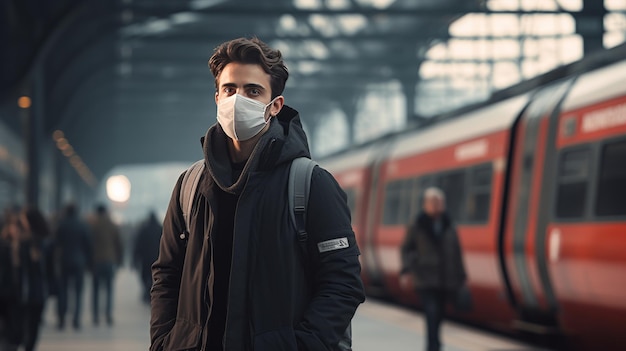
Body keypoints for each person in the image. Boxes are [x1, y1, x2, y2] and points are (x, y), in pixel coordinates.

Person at [150, 37, 365, 351]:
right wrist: (163, 343)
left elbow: (343, 284)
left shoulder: (311, 184)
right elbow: (167, 274)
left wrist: (300, 345)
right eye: (230, 89)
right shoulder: (189, 185)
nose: (238, 100)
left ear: (274, 105)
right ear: (217, 98)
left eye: (253, 91)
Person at [400, 187, 467, 351]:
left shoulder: (449, 223)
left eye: (440, 202)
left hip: (446, 278)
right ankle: (433, 346)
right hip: (425, 278)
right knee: (431, 313)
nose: (438, 205)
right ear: (426, 204)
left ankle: (435, 343)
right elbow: (406, 249)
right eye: (434, 202)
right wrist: (407, 270)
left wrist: (462, 276)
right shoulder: (417, 224)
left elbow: (457, 251)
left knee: (440, 315)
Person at [16, 207, 52, 351]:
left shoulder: (29, 243)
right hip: (38, 290)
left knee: (29, 324)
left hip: (29, 290)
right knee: (33, 324)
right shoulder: (44, 241)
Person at [55, 204, 92, 330]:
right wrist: (88, 262)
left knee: (63, 291)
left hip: (64, 260)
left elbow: (56, 243)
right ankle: (76, 319)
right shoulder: (82, 225)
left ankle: (61, 318)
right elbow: (88, 245)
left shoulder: (62, 224)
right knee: (78, 292)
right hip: (79, 261)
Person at [88, 204, 123, 326]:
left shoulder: (93, 226)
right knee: (109, 290)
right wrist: (119, 261)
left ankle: (96, 316)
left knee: (96, 290)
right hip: (109, 260)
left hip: (96, 261)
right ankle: (108, 315)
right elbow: (118, 244)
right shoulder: (112, 225)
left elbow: (88, 244)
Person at [133, 211, 162, 304]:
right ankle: (151, 293)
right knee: (155, 276)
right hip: (157, 257)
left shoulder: (144, 229)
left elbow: (138, 244)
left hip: (145, 259)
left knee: (145, 276)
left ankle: (147, 291)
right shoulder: (160, 229)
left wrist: (135, 258)